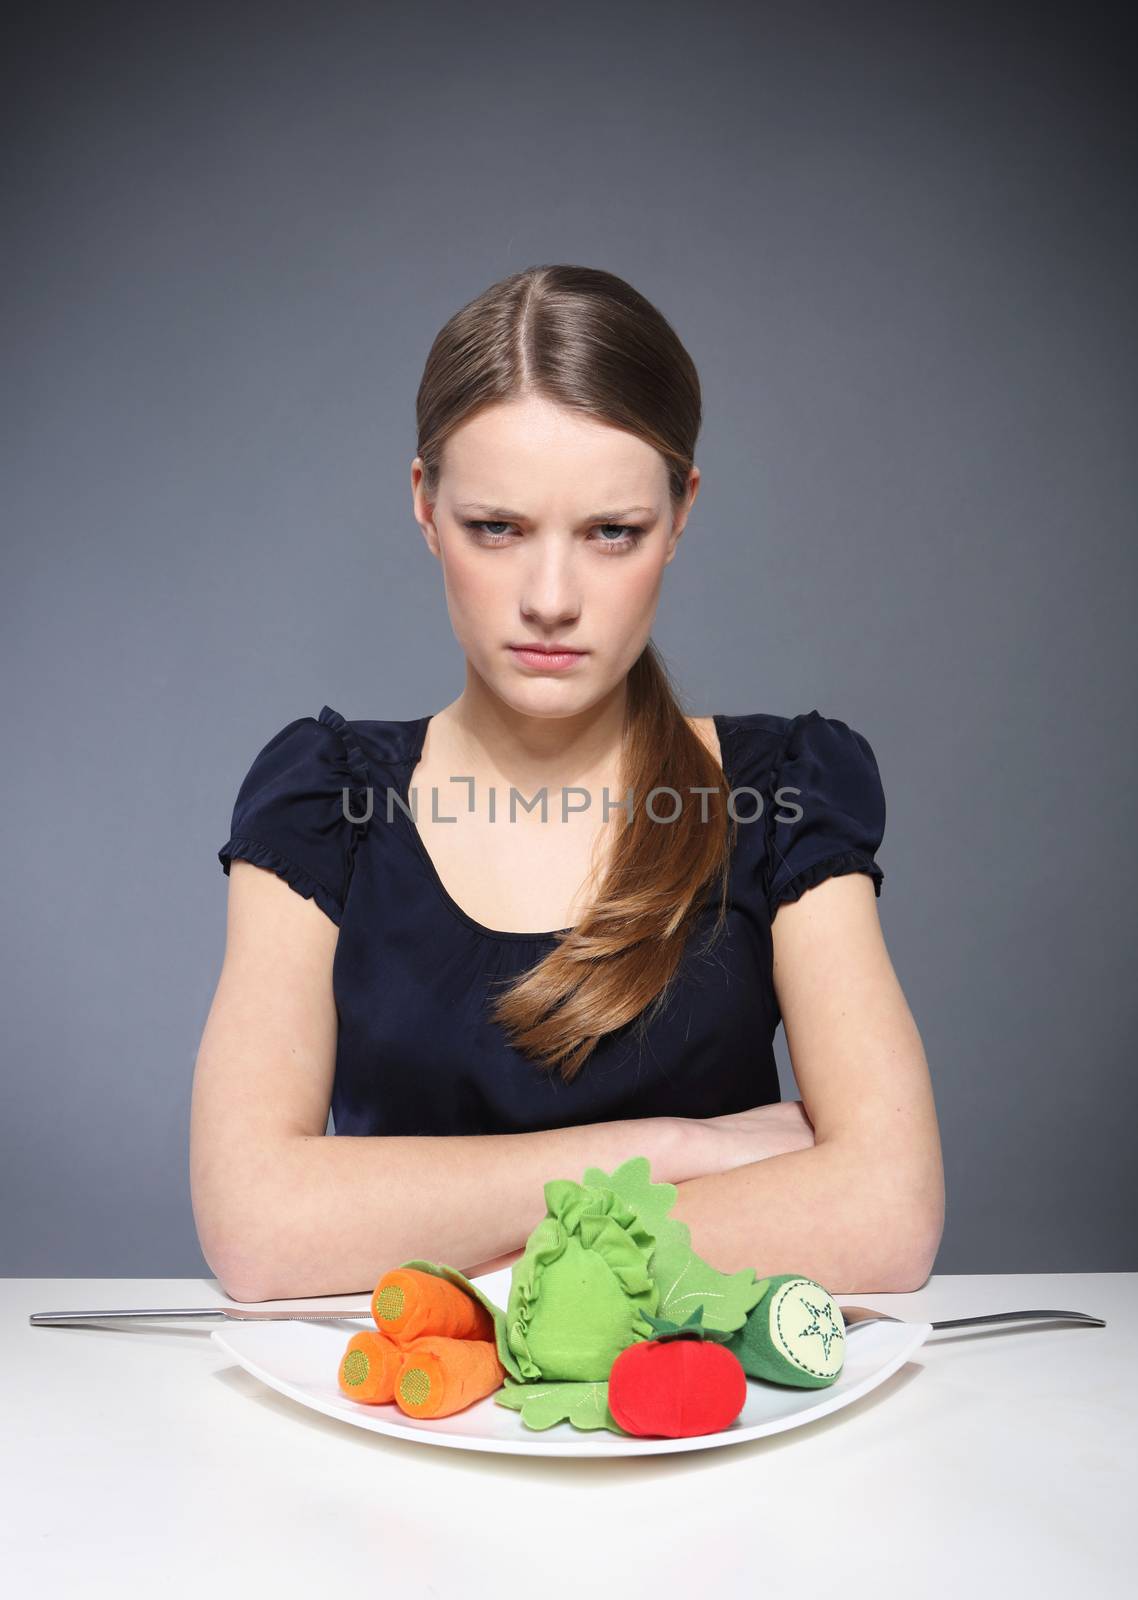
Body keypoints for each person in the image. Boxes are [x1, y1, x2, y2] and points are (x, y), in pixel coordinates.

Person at [190, 264, 944, 1304]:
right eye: (496, 527)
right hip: (395, 1430)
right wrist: (672, 1149)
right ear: (425, 505)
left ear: (680, 514)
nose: (550, 598)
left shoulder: (783, 793)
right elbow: (257, 1228)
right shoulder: (326, 802)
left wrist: (445, 1253)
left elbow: (886, 1215)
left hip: (706, 1445)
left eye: (610, 532)